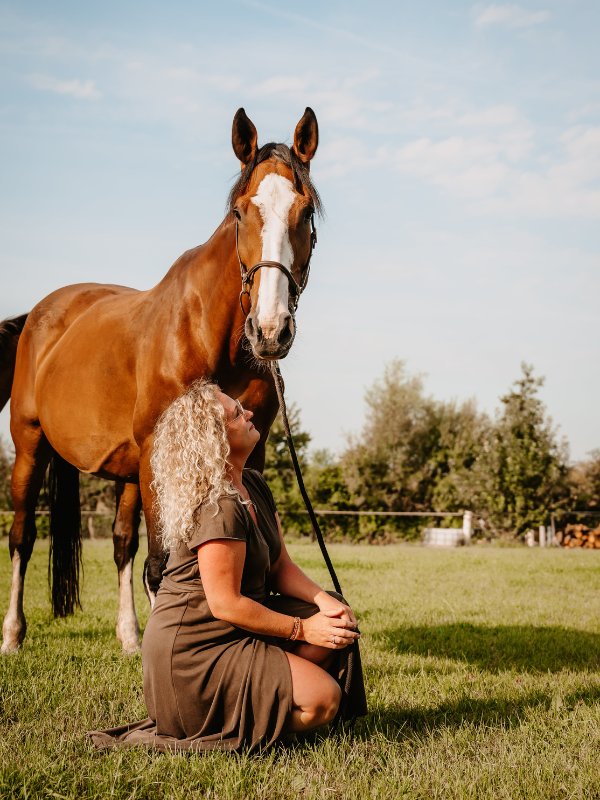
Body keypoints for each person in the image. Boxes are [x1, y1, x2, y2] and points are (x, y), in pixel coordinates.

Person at [89, 380, 367, 753]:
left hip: (236, 627)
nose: (249, 412)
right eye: (237, 413)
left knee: (333, 617)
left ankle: (264, 696)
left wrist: (324, 601)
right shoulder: (219, 508)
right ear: (215, 440)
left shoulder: (253, 484)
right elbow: (226, 604)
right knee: (323, 700)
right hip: (195, 648)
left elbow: (279, 564)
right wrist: (303, 629)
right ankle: (237, 720)